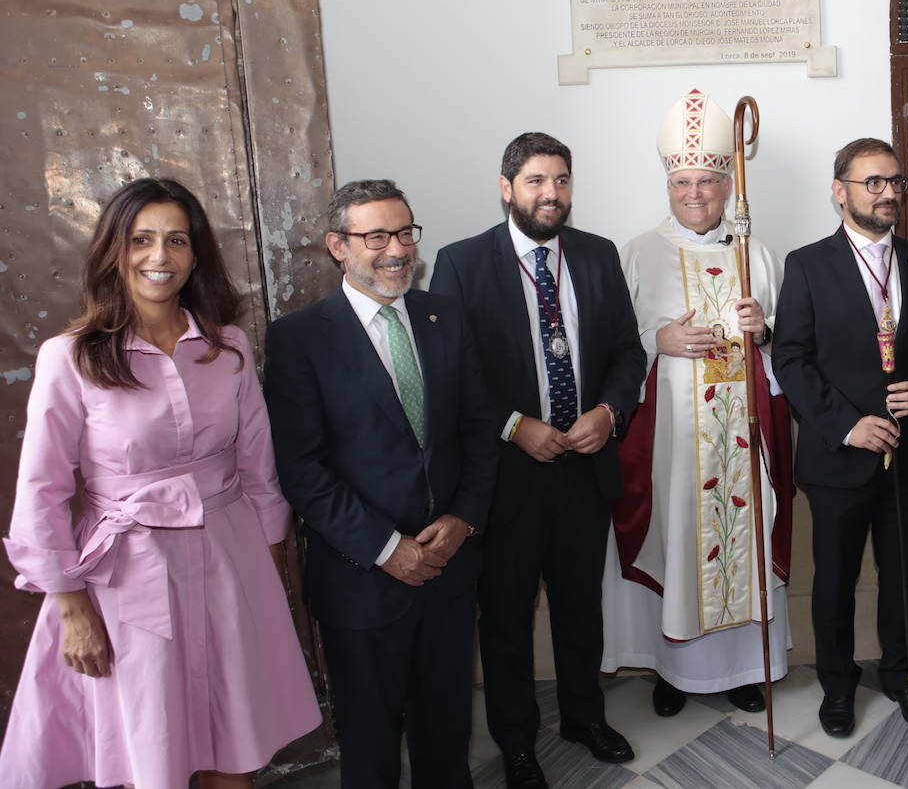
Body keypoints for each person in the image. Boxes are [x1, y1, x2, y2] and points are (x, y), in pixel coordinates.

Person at [1, 178, 321, 788]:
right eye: (142, 240)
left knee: (236, 749)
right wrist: (71, 607)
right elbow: (39, 491)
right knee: (153, 751)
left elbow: (259, 465)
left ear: (195, 253)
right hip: (126, 578)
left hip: (231, 563)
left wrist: (269, 563)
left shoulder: (228, 349)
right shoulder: (69, 358)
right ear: (113, 252)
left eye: (176, 240)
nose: (160, 256)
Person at [264, 180, 497, 787]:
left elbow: (478, 429)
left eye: (404, 232)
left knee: (447, 735)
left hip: (448, 570)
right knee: (370, 748)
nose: (397, 250)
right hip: (361, 580)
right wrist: (388, 548)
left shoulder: (445, 315)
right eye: (376, 237)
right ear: (338, 245)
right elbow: (303, 470)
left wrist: (466, 518)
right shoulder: (299, 338)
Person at [430, 132, 646, 789]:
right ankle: (518, 743)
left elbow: (626, 355)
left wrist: (608, 414)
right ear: (507, 187)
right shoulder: (461, 263)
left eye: (560, 181)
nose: (550, 194)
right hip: (505, 477)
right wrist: (513, 425)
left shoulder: (599, 255)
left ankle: (584, 715)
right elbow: (453, 372)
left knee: (582, 604)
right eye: (535, 181)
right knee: (506, 616)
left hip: (584, 467)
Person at [602, 89, 794, 718]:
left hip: (742, 443)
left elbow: (788, 353)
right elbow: (607, 349)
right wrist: (655, 340)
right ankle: (672, 669)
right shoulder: (635, 254)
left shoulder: (757, 253)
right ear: (668, 183)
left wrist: (761, 331)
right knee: (680, 539)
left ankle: (741, 668)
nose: (693, 194)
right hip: (671, 448)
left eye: (707, 182)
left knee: (744, 539)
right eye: (682, 181)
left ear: (727, 182)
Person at [772, 138, 908, 737]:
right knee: (835, 579)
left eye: (895, 181)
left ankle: (904, 678)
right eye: (874, 182)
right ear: (840, 190)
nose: (889, 193)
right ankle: (838, 687)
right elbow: (791, 360)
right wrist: (848, 424)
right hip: (837, 456)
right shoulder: (807, 264)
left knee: (907, 574)